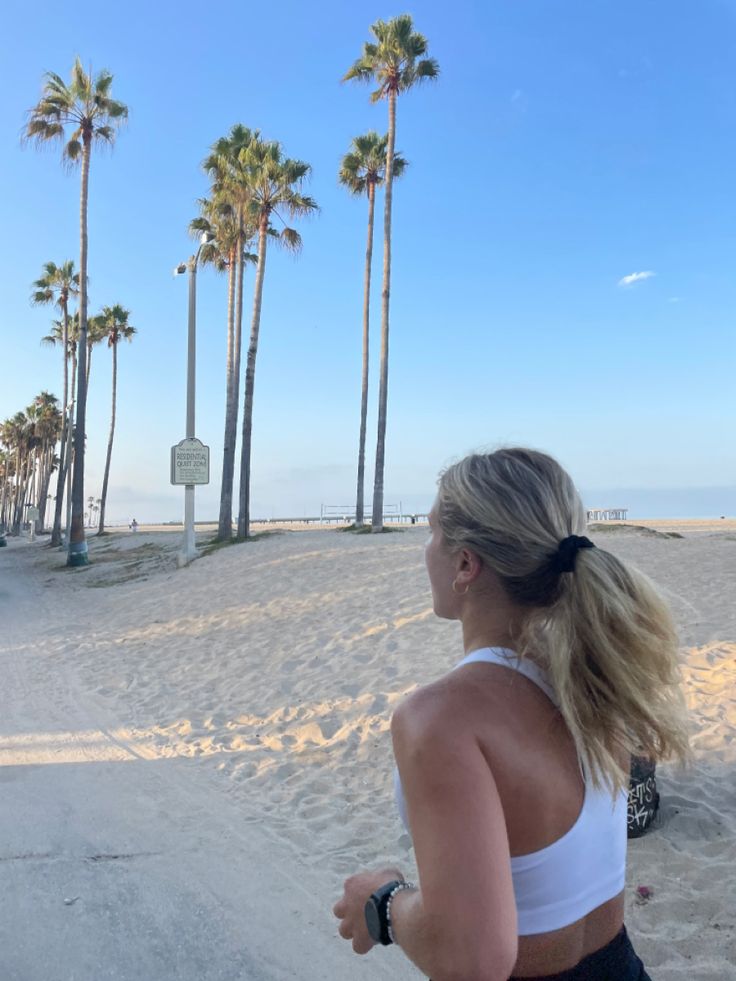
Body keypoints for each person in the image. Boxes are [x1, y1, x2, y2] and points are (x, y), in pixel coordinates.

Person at [333, 447, 690, 980]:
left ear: (464, 564)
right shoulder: (596, 678)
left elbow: (472, 961)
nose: (426, 549)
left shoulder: (440, 719)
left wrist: (384, 900)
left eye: (432, 532)